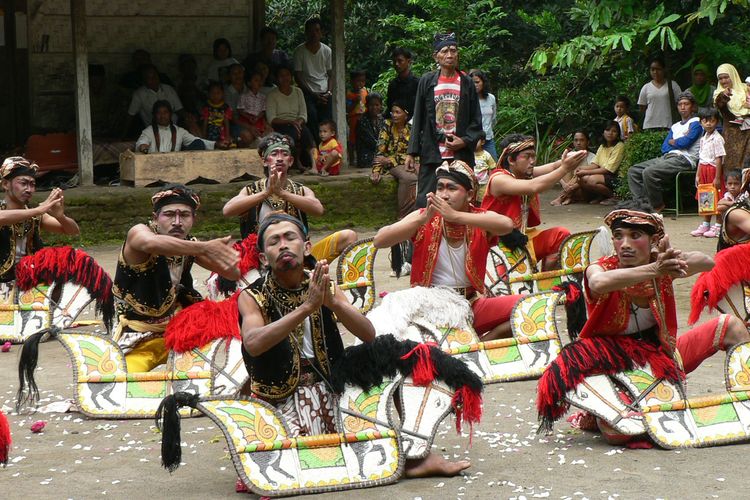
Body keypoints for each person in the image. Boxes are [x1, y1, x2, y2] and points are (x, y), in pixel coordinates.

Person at [239, 212, 468, 478]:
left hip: (331, 383)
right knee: (290, 468)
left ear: (306, 247)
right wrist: (307, 308)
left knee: (399, 355)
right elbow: (253, 344)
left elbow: (368, 333)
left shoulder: (323, 284)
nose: (283, 245)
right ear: (264, 258)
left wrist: (333, 303)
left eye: (290, 238)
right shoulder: (251, 295)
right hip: (280, 393)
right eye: (274, 241)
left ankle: (416, 455)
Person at [536, 208, 749, 439]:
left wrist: (671, 260)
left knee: (733, 326)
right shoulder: (601, 268)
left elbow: (707, 262)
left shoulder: (663, 264)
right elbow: (597, 282)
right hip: (610, 362)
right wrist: (654, 270)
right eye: (618, 236)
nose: (624, 244)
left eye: (635, 236)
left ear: (654, 240)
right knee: (619, 432)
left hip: (659, 356)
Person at [374, 161, 523, 341]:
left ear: (469, 195)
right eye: (440, 188)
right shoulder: (423, 215)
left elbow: (507, 225)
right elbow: (380, 240)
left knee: (527, 305)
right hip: (429, 308)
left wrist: (455, 216)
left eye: (451, 189)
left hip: (469, 304)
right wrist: (421, 220)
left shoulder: (479, 218)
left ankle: (479, 344)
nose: (444, 195)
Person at [112, 185, 240, 372]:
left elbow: (233, 273)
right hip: (136, 336)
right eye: (169, 214)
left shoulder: (191, 246)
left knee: (205, 377)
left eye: (185, 215)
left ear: (194, 219)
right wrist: (205, 247)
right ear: (155, 218)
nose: (177, 222)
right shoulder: (138, 233)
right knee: (124, 386)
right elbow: (150, 243)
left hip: (179, 332)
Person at [222, 133, 356, 263]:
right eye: (274, 154)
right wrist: (265, 193)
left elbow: (318, 209)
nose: (279, 158)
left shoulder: (301, 190)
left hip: (297, 258)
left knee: (348, 236)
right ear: (264, 161)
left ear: (291, 161)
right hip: (261, 260)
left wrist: (283, 193)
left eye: (285, 154)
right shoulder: (251, 190)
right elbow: (227, 210)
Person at [481, 134, 587, 270]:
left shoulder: (523, 173)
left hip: (522, 237)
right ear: (511, 160)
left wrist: (569, 160)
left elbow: (553, 166)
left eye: (533, 156)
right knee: (507, 285)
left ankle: (546, 282)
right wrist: (565, 168)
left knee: (561, 235)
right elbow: (534, 186)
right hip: (497, 245)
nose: (532, 161)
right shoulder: (498, 179)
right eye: (527, 156)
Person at [407, 33, 483, 208]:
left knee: (462, 199)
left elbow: (476, 121)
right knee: (426, 200)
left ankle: (461, 234)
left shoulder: (466, 83)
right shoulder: (427, 81)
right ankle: (424, 234)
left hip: (460, 154)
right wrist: (412, 152)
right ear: (436, 56)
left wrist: (463, 141)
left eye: (453, 51)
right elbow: (418, 117)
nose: (450, 55)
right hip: (432, 151)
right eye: (444, 51)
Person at [0, 157, 80, 283]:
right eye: (23, 183)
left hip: (29, 279)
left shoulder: (36, 215)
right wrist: (38, 210)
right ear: (5, 184)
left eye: (32, 184)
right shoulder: (35, 212)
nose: (29, 189)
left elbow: (73, 231)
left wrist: (60, 216)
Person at [627, 91, 702, 212]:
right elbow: (665, 147)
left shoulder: (696, 123)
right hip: (668, 156)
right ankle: (642, 205)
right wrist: (678, 142)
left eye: (686, 104)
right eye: (680, 104)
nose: (683, 107)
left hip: (684, 159)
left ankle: (657, 205)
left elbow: (686, 143)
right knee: (633, 171)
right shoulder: (675, 126)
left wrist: (674, 142)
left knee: (649, 172)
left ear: (692, 106)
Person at [371, 101, 416, 277]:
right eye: (393, 111)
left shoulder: (412, 128)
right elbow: (380, 152)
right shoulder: (387, 126)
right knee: (408, 177)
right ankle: (403, 215)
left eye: (398, 112)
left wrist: (391, 159)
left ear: (406, 114)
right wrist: (377, 170)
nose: (394, 115)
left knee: (415, 176)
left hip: (408, 162)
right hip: (399, 165)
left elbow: (414, 151)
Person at [266, 65, 317, 171]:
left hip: (298, 123)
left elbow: (303, 114)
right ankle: (296, 163)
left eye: (287, 75)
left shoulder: (298, 92)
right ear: (276, 78)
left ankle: (314, 166)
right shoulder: (272, 94)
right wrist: (290, 122)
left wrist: (297, 123)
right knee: (291, 135)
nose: (285, 78)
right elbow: (271, 118)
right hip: (281, 124)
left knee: (307, 134)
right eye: (281, 76)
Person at [293, 17, 333, 139]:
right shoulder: (300, 51)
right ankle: (315, 146)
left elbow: (331, 74)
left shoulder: (326, 50)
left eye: (317, 30)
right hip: (308, 92)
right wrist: (312, 94)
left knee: (327, 120)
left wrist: (329, 92)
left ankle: (328, 147)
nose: (314, 34)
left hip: (325, 92)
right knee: (312, 116)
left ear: (321, 32)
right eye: (310, 31)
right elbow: (298, 76)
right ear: (306, 33)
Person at [136, 101, 227, 153]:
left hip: (176, 164)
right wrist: (143, 146)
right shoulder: (148, 131)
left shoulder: (179, 131)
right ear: (154, 115)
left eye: (165, 112)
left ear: (170, 114)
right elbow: (142, 142)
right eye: (159, 113)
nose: (162, 116)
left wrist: (216, 144)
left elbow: (196, 140)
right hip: (154, 164)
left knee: (198, 143)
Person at [570, 121, 625, 205]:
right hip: (604, 176)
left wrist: (585, 172)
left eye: (614, 131)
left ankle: (615, 197)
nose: (610, 133)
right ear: (603, 132)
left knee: (591, 180)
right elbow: (595, 165)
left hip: (616, 177)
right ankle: (602, 196)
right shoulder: (602, 146)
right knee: (582, 178)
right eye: (607, 130)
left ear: (618, 134)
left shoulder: (619, 146)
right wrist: (580, 169)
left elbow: (608, 170)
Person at [691, 108, 726, 238]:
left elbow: (719, 158)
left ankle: (717, 226)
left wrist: (717, 177)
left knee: (717, 197)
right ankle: (706, 224)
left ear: (717, 122)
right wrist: (698, 174)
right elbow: (701, 158)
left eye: (712, 121)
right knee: (706, 198)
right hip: (704, 169)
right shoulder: (703, 138)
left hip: (713, 170)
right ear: (701, 122)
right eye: (705, 121)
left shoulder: (717, 139)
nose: (709, 124)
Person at [124, 65, 183, 136]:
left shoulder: (169, 89)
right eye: (149, 78)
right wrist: (122, 136)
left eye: (155, 76)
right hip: (154, 132)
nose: (154, 79)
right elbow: (130, 116)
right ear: (144, 80)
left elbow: (180, 110)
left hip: (173, 129)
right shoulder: (139, 94)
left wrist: (189, 120)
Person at [714, 63, 750, 171]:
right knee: (733, 168)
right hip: (732, 136)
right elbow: (719, 104)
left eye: (726, 77)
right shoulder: (718, 93)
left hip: (748, 134)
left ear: (733, 75)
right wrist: (725, 95)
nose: (724, 81)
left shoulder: (746, 88)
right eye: (720, 78)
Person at [551, 130, 596, 206]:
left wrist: (572, 187)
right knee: (566, 168)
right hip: (568, 187)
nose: (578, 143)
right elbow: (558, 171)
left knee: (581, 172)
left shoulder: (592, 157)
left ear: (587, 142)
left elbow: (588, 179)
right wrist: (565, 185)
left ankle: (562, 198)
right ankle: (569, 197)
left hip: (582, 190)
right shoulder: (569, 155)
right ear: (573, 142)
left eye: (582, 140)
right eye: (576, 140)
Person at [638, 56, 682, 130]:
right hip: (650, 125)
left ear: (664, 70)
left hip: (668, 124)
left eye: (658, 69)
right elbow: (642, 107)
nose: (655, 72)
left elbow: (680, 102)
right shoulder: (646, 87)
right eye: (653, 69)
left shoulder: (672, 85)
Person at [718, 170, 750, 250]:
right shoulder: (737, 213)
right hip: (735, 260)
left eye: (736, 183)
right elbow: (719, 207)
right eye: (730, 184)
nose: (732, 186)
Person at [470, 70, 498, 160]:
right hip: (472, 140)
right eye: (472, 82)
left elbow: (493, 118)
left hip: (488, 139)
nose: (475, 85)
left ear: (483, 82)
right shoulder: (467, 99)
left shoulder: (491, 98)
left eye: (477, 82)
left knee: (494, 165)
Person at [235, 71, 269, 146]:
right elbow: (240, 110)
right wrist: (249, 117)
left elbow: (263, 110)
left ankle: (258, 142)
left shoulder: (263, 97)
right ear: (249, 83)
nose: (259, 82)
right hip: (246, 119)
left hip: (258, 119)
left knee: (263, 132)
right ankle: (256, 143)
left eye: (260, 80)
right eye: (256, 80)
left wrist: (257, 117)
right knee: (249, 134)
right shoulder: (243, 96)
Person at [386, 47, 419, 118]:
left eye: (400, 61)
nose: (397, 64)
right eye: (394, 61)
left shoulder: (417, 83)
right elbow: (389, 108)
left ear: (408, 61)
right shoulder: (393, 85)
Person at [356, 93, 384, 168]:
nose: (374, 107)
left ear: (381, 106)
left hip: (379, 152)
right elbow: (372, 142)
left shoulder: (382, 119)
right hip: (366, 156)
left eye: (377, 105)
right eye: (371, 105)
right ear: (367, 106)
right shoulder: (362, 121)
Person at [346, 70, 368, 156]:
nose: (360, 84)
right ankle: (351, 158)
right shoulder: (349, 95)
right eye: (358, 81)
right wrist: (355, 101)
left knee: (363, 138)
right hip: (354, 118)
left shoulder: (365, 92)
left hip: (364, 117)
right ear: (352, 81)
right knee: (352, 139)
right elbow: (348, 109)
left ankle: (362, 156)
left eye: (363, 81)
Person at [473, 132, 495, 201]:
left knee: (483, 200)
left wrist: (490, 182)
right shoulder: (470, 154)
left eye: (476, 141)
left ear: (482, 142)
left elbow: (492, 168)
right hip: (472, 184)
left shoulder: (486, 155)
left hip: (484, 184)